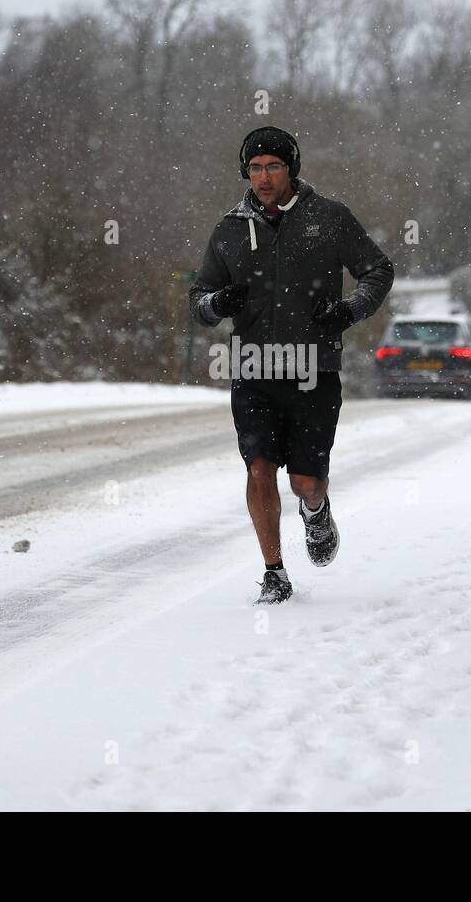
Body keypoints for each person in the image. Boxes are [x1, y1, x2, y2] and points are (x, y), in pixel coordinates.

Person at [189, 126, 394, 604]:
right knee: (259, 467)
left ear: (292, 169)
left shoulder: (330, 218)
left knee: (304, 481)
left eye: (273, 166)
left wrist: (350, 309)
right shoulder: (229, 229)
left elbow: (378, 270)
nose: (263, 177)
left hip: (313, 369)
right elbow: (198, 300)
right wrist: (219, 302)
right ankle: (275, 573)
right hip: (253, 369)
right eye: (255, 167)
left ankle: (316, 509)